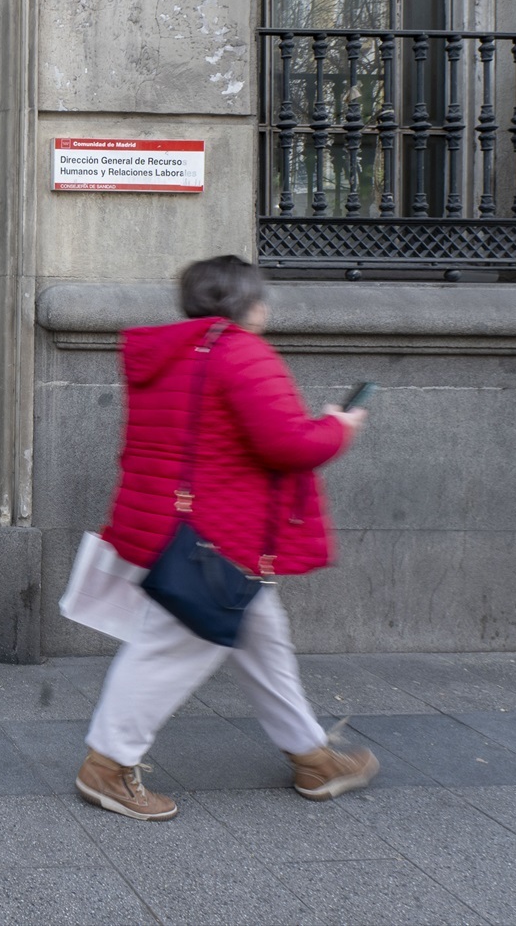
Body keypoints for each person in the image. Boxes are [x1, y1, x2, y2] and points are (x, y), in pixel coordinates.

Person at [77, 255, 377, 822]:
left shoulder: (170, 352)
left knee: (264, 637)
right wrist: (338, 427)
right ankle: (108, 766)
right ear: (246, 302)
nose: (266, 307)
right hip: (218, 537)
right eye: (261, 297)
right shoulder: (239, 351)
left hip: (178, 525)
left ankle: (310, 754)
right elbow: (287, 444)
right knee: (174, 648)